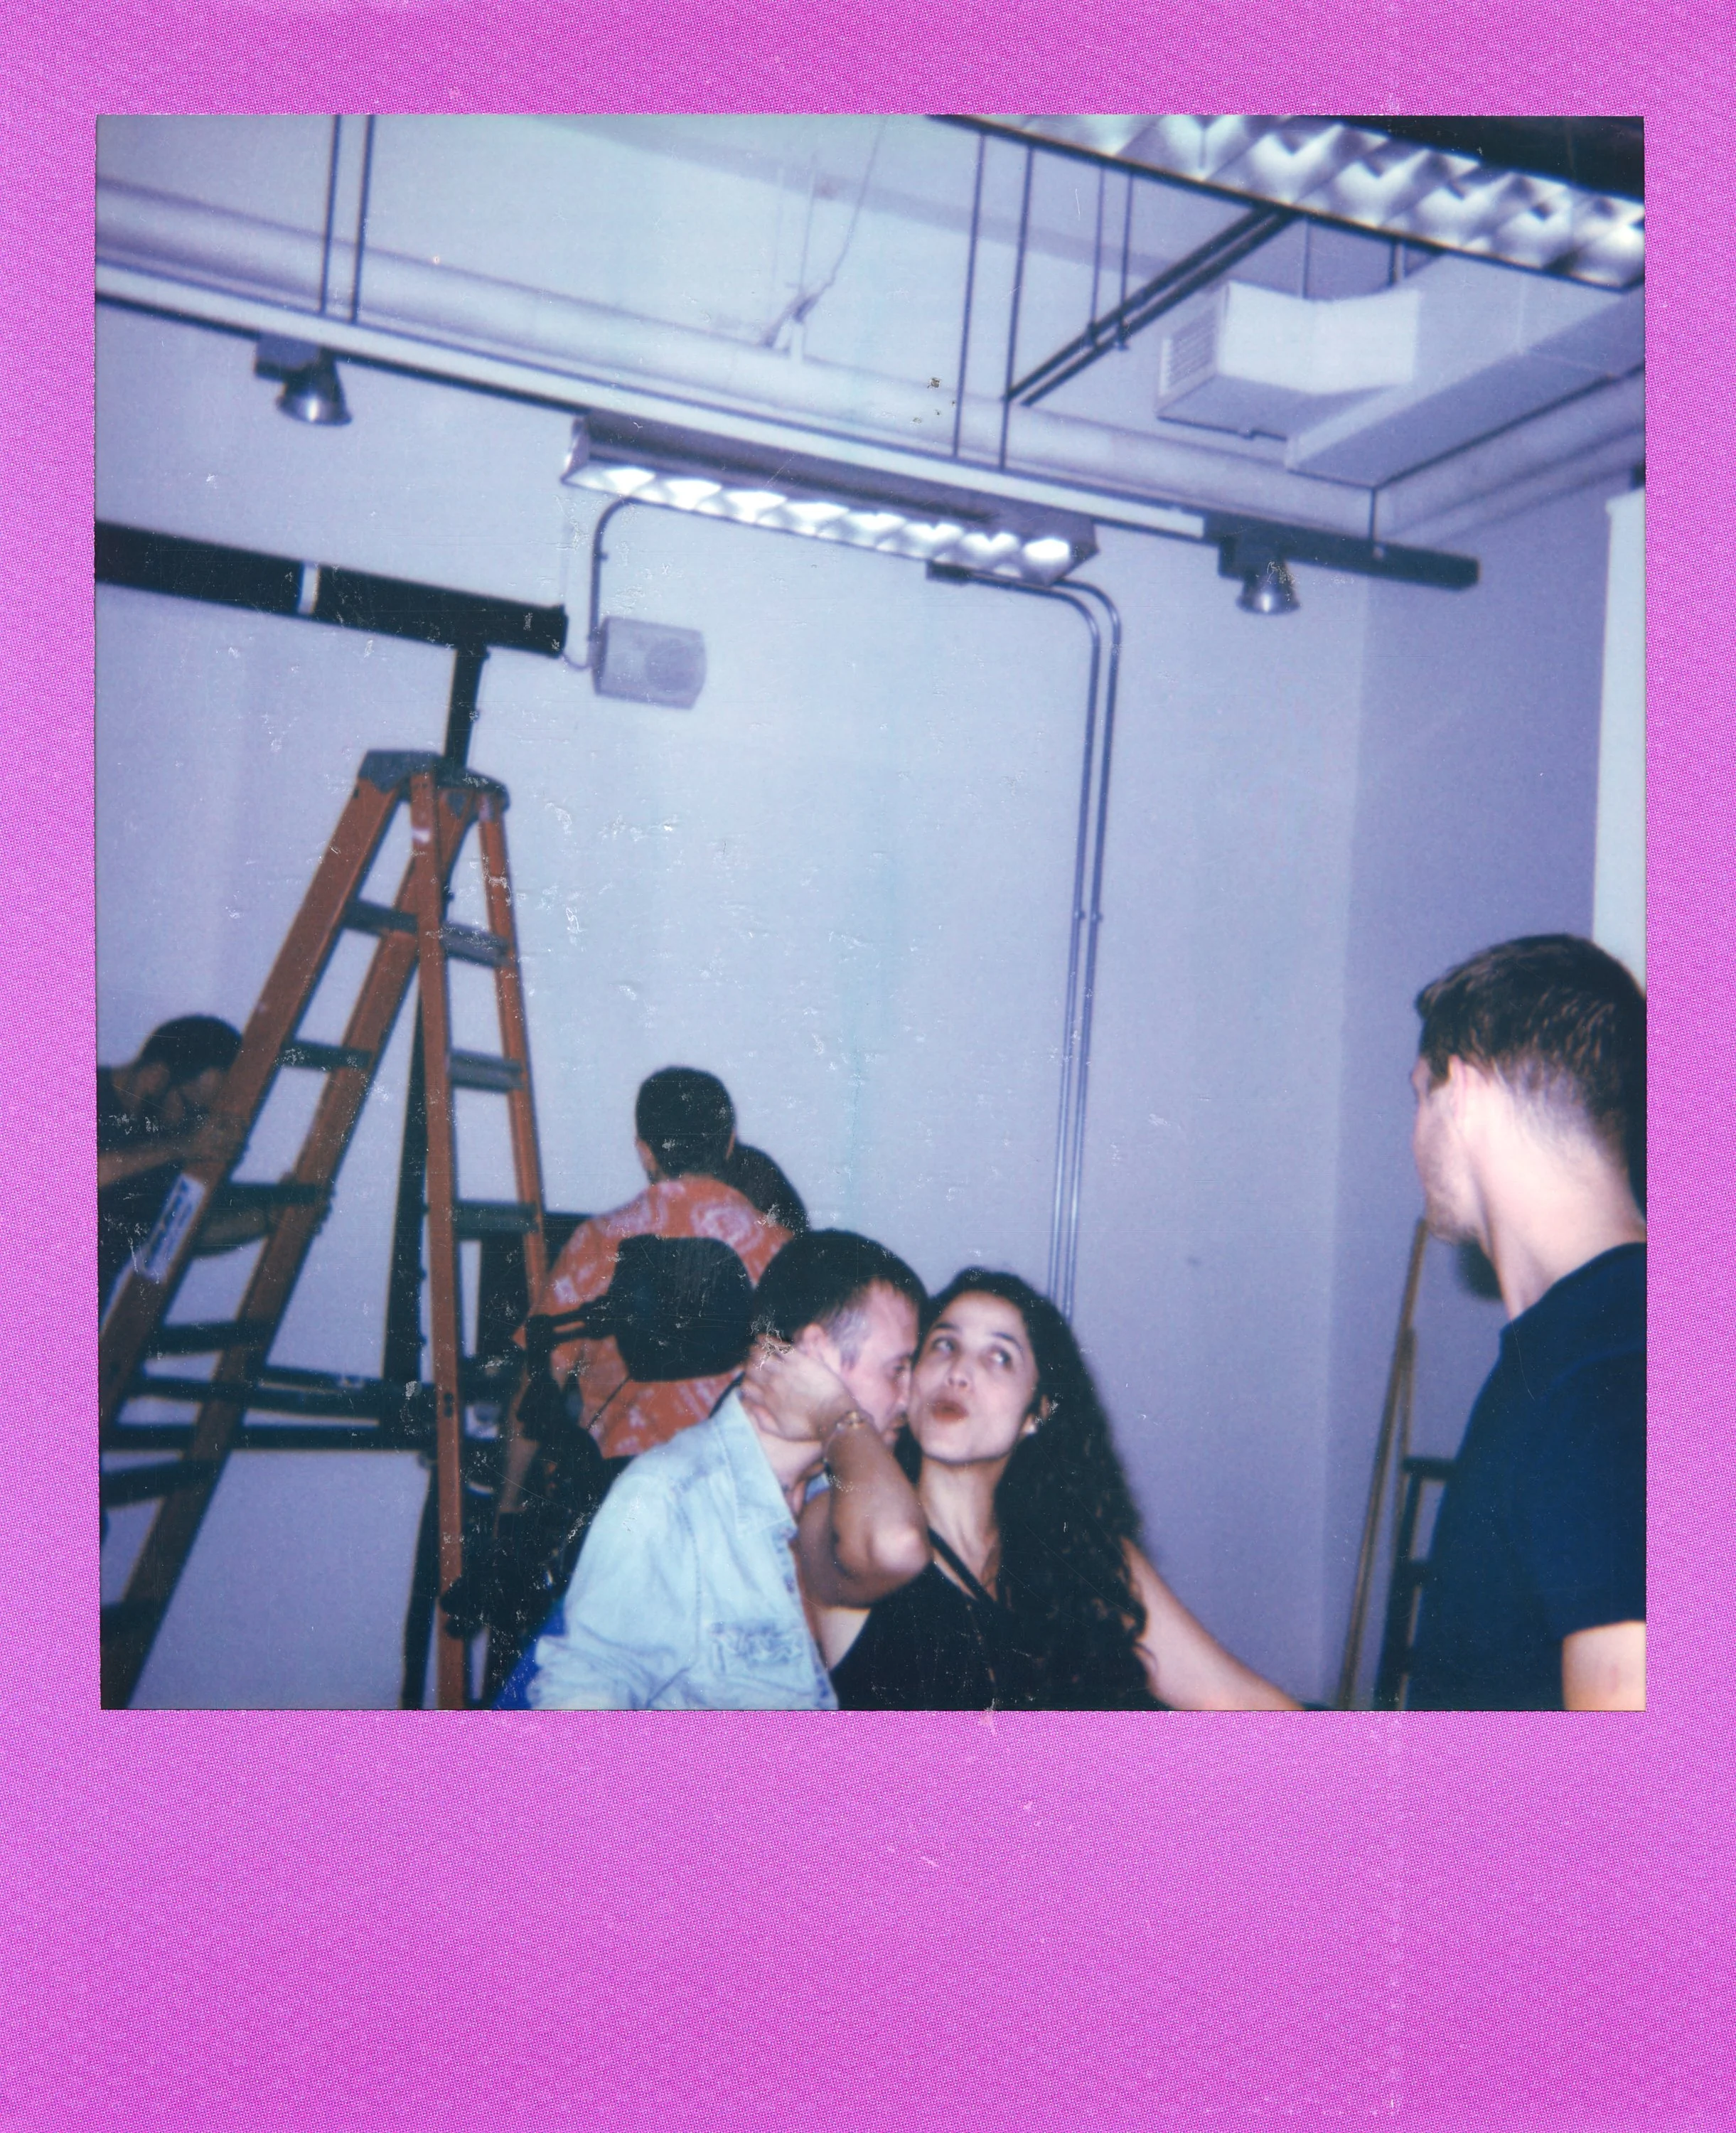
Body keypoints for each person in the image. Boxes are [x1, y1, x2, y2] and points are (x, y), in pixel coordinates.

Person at [803, 1268, 1299, 1711]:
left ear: (1036, 1413)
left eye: (999, 1357)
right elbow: (893, 1543)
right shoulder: (841, 1522)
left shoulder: (1086, 1556)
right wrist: (837, 1413)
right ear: (910, 1381)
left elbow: (1242, 1702)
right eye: (944, 1345)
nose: (959, 1372)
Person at [505, 1229, 928, 1709]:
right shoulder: (670, 1498)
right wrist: (838, 1412)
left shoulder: (828, 1502)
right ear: (816, 1356)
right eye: (897, 1369)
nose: (909, 1396)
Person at [1403, 934, 1646, 1711]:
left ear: (1465, 1092)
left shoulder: (1608, 1372)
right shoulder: (1582, 1347)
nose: (1414, 1138)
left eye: (1420, 1096)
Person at [513, 1068, 791, 1465]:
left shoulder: (594, 1243)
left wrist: (504, 1510)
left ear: (645, 1150)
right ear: (729, 1145)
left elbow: (537, 1390)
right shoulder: (779, 1247)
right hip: (734, 1490)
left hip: (620, 1492)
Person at [98, 1015, 245, 1305]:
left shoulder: (165, 1141)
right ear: (156, 1075)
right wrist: (181, 1146)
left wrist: (271, 1218)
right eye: (192, 1109)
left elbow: (178, 1236)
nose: (193, 1123)